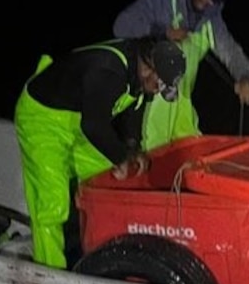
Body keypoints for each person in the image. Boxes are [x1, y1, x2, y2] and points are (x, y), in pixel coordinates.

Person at [14, 36, 186, 268]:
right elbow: (93, 126)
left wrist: (132, 150)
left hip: (79, 120)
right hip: (43, 118)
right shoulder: (109, 71)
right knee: (52, 203)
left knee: (109, 180)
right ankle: (49, 274)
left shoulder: (142, 70)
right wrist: (121, 158)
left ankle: (102, 254)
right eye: (158, 85)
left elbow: (132, 111)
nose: (156, 92)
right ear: (149, 70)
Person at [112, 0, 249, 151]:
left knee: (194, 155)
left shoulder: (211, 19)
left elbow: (230, 51)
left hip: (182, 112)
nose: (209, 2)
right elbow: (122, 26)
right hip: (145, 109)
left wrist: (245, 76)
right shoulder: (162, 0)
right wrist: (163, 33)